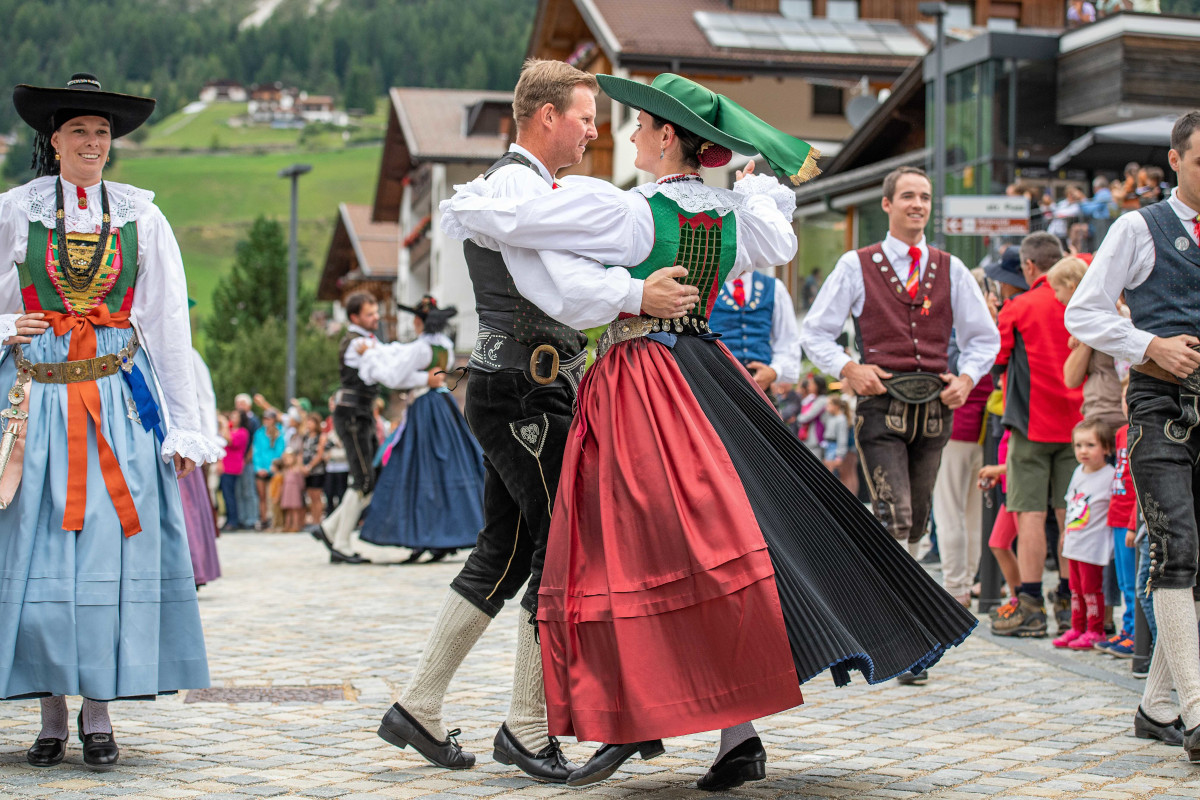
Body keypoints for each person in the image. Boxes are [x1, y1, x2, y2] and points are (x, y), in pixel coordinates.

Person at [441, 71, 977, 789]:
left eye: (638, 127)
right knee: (727, 546)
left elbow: (518, 222)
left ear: (667, 138)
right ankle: (737, 735)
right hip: (707, 372)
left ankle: (636, 720)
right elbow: (778, 236)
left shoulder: (632, 215)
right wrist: (755, 182)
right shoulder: (732, 219)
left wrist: (481, 203)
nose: (629, 136)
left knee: (629, 551)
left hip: (642, 383)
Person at [375, 60, 699, 785]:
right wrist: (634, 293)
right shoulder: (518, 189)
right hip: (527, 386)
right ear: (546, 116)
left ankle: (419, 705)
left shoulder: (533, 189)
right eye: (585, 115)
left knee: (507, 551)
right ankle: (526, 726)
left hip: (519, 383)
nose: (594, 129)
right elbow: (555, 286)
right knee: (560, 553)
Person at [0, 74, 221, 769]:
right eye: (79, 133)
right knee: (36, 556)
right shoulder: (14, 211)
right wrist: (10, 323)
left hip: (119, 410)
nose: (93, 143)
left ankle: (98, 716)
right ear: (54, 141)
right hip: (34, 402)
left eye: (102, 133)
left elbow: (166, 323)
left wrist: (184, 427)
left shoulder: (143, 219)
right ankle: (50, 714)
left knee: (105, 553)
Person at [1065, 110, 1200, 754]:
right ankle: (1198, 713)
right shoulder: (1138, 226)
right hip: (1158, 406)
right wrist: (1151, 344)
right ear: (1175, 161)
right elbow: (1082, 312)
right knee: (1177, 549)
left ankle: (1154, 709)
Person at [800, 168, 999, 557]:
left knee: (920, 519)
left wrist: (967, 378)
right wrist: (849, 368)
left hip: (935, 410)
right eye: (908, 196)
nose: (918, 205)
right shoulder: (856, 264)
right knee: (895, 517)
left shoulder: (951, 268)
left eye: (924, 197)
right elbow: (815, 332)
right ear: (887, 203)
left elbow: (984, 338)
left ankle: (906, 608)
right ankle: (894, 613)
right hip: (880, 406)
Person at [990, 232, 1083, 638]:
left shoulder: (1019, 307)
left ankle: (1030, 604)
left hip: (1031, 425)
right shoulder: (1081, 301)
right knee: (1070, 515)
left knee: (1030, 513)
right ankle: (1071, 601)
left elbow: (997, 360)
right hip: (1081, 426)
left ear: (1029, 266)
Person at [310, 291, 437, 563]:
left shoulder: (368, 341)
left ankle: (329, 529)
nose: (376, 317)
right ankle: (341, 544)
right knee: (365, 479)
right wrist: (422, 374)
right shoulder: (356, 345)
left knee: (370, 477)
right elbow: (388, 372)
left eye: (376, 312)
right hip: (352, 415)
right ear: (355, 317)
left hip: (361, 414)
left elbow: (390, 358)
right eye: (370, 314)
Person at [358, 296, 485, 562]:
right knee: (448, 468)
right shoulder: (445, 346)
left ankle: (421, 538)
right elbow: (422, 365)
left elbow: (394, 376)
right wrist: (379, 350)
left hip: (424, 408)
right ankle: (445, 535)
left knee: (416, 469)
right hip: (442, 404)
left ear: (418, 322)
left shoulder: (419, 349)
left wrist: (369, 355)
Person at [1052, 420, 1116, 650]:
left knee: (1091, 590)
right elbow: (1071, 503)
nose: (1083, 451)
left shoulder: (1109, 476)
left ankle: (1095, 629)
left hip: (1093, 544)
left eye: (1090, 445)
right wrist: (1065, 533)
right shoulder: (1078, 471)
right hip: (1075, 541)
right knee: (1075, 590)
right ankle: (1077, 627)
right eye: (1078, 445)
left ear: (1107, 448)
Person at [707, 269, 800, 392]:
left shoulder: (774, 288)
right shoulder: (705, 285)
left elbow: (788, 340)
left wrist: (774, 371)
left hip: (761, 385)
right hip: (716, 384)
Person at [182, 345, 221, 587]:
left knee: (187, 505)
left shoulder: (188, 353)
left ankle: (192, 567)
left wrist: (207, 439)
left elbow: (205, 399)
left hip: (180, 440)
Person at [251, 409, 286, 530]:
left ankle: (275, 519)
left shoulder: (280, 433)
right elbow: (256, 452)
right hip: (260, 469)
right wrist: (259, 468)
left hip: (273, 468)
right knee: (262, 496)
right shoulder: (259, 433)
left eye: (269, 418)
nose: (266, 421)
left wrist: (270, 469)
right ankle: (264, 519)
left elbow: (279, 451)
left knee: (274, 495)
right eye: (265, 418)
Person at [233, 392, 260, 529]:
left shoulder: (253, 420)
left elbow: (254, 440)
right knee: (239, 491)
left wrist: (249, 456)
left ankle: (252, 518)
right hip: (238, 460)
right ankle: (242, 518)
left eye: (242, 404)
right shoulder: (236, 421)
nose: (239, 407)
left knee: (249, 490)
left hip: (248, 459)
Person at [298, 412, 327, 527]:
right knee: (310, 496)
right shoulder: (305, 437)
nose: (308, 424)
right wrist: (301, 466)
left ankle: (317, 521)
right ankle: (313, 520)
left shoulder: (321, 437)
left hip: (317, 470)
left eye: (311, 422)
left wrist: (309, 466)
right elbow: (301, 453)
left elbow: (319, 454)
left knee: (317, 496)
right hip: (306, 471)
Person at [279, 450, 306, 532]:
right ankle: (287, 525)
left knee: (295, 510)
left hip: (295, 492)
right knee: (288, 510)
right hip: (287, 493)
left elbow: (301, 482)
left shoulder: (297, 470)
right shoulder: (285, 471)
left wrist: (300, 490)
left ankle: (296, 525)